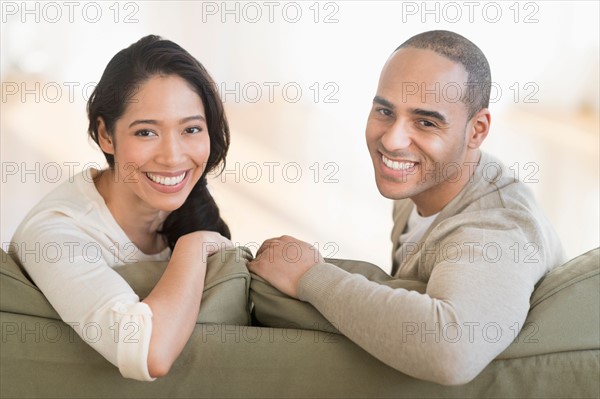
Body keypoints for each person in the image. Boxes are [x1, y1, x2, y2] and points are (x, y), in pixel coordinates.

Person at [248, 30, 566, 385]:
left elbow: (451, 351)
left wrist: (310, 278)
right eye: (385, 111)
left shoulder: (498, 227)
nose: (391, 140)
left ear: (477, 130)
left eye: (426, 122)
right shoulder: (424, 186)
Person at [11, 35, 233, 381]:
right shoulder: (55, 233)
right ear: (106, 135)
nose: (173, 157)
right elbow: (148, 354)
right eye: (146, 133)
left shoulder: (184, 212)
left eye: (191, 128)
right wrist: (195, 245)